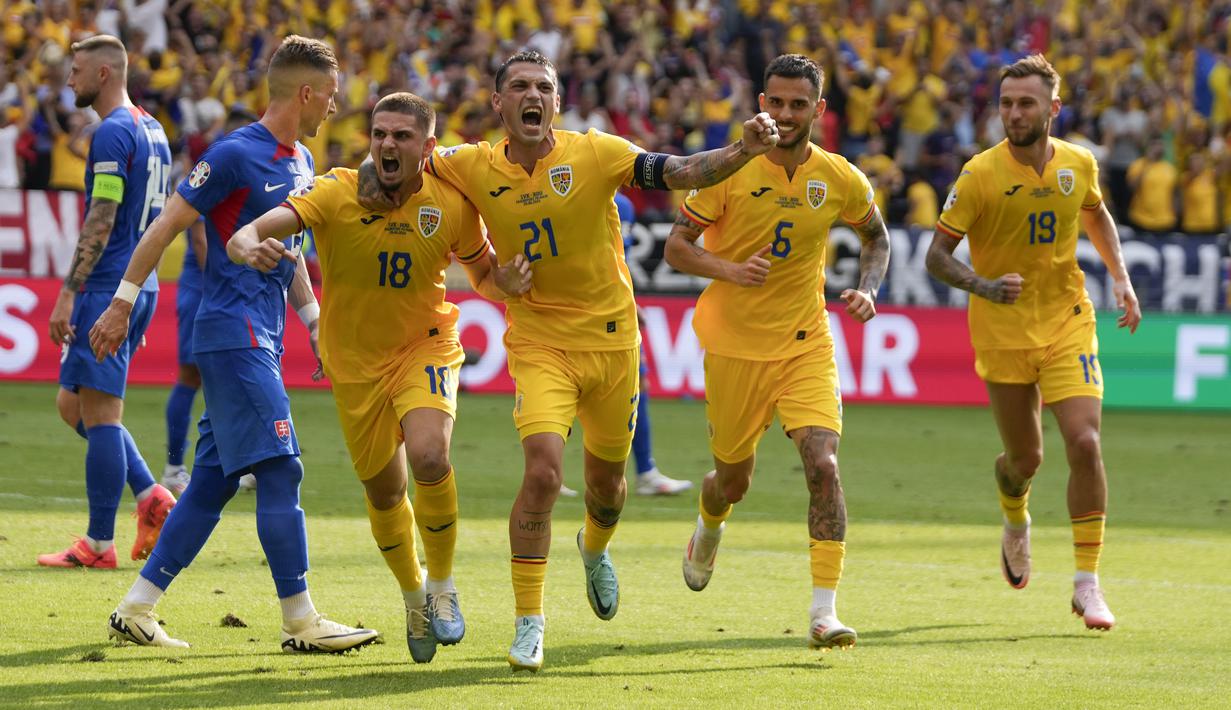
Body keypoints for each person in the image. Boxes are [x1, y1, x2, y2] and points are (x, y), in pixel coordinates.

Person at [359, 49, 779, 672]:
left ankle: (593, 547)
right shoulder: (469, 164)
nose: (534, 96)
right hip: (538, 342)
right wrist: (373, 175)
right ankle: (530, 622)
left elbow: (680, 169)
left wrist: (743, 151)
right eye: (521, 87)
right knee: (544, 474)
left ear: (556, 102)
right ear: (498, 102)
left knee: (609, 491)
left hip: (613, 343)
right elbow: (399, 158)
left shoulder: (596, 152)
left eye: (545, 88)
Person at [89, 35, 377, 653]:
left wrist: (314, 319)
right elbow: (167, 225)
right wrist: (121, 301)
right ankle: (300, 619)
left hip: (262, 334)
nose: (335, 106)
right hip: (231, 332)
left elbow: (291, 251)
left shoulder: (300, 160)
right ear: (305, 92)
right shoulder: (235, 155)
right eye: (329, 95)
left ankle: (137, 607)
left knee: (213, 482)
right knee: (282, 467)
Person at [227, 92, 523, 663]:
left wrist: (505, 283)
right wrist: (246, 244)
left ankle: (441, 587)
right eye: (380, 134)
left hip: (426, 346)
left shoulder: (453, 204)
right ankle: (413, 595)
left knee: (431, 456)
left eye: (402, 136)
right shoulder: (337, 191)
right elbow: (259, 227)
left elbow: (484, 274)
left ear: (427, 147)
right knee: (386, 491)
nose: (388, 144)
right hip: (355, 365)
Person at [664, 54, 889, 649]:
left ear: (818, 110)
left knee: (824, 465)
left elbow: (876, 237)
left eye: (798, 104)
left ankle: (824, 611)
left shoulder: (840, 176)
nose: (785, 114)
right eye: (776, 102)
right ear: (762, 103)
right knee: (732, 482)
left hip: (804, 342)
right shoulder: (730, 169)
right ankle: (709, 526)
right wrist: (730, 269)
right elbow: (678, 249)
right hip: (734, 347)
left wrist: (868, 290)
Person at [925, 54, 1142, 631]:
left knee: (1085, 442)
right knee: (1025, 460)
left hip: (1068, 318)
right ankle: (1015, 515)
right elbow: (936, 257)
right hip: (1002, 328)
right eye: (1006, 103)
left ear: (1053, 107)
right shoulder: (978, 175)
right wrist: (982, 285)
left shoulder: (1078, 163)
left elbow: (1096, 216)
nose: (1014, 113)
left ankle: (1087, 584)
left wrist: (1120, 278)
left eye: (1025, 102)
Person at [38, 34, 177, 570]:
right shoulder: (154, 130)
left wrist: (68, 292)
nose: (68, 79)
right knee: (73, 405)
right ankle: (150, 495)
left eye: (75, 70)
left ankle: (98, 544)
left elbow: (102, 215)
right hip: (141, 283)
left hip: (108, 288)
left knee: (98, 415)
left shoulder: (112, 132)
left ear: (102, 74)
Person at [616, 190, 693, 496]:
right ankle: (548, 474)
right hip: (572, 310)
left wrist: (628, 302)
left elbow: (615, 261)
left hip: (615, 307)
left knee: (637, 383)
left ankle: (646, 471)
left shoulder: (623, 206)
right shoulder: (572, 199)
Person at [160, 218, 205, 496]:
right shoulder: (205, 176)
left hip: (222, 283)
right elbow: (200, 238)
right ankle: (173, 468)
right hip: (205, 284)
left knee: (230, 376)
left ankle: (248, 464)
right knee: (191, 375)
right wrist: (222, 282)